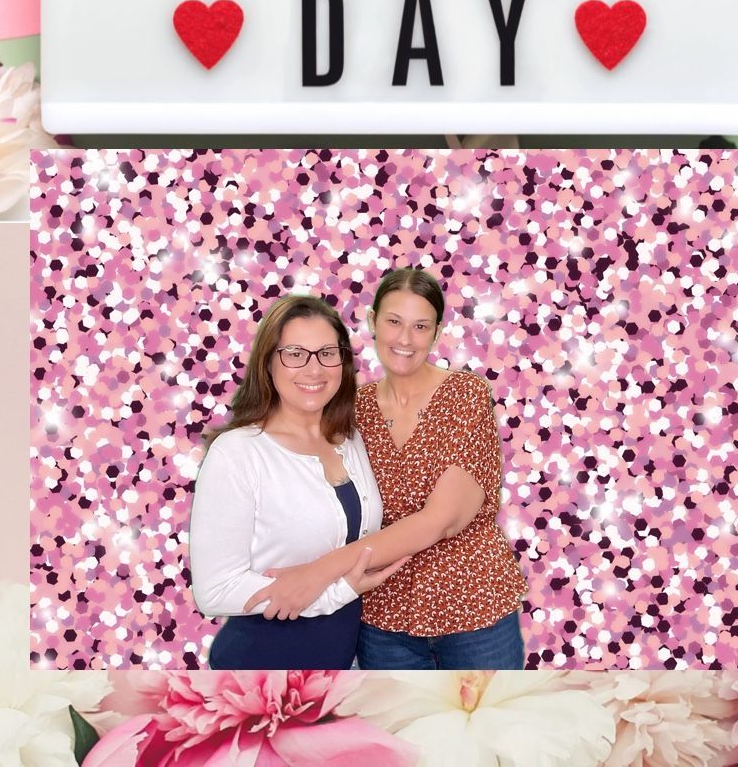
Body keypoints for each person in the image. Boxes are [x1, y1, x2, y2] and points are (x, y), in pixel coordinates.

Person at [246, 267, 529, 669]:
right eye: (394, 322)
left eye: (420, 326)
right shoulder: (350, 407)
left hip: (474, 615)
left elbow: (440, 521)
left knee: (489, 730)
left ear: (436, 332)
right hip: (382, 618)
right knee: (396, 732)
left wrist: (317, 573)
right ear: (373, 321)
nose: (405, 339)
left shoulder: (465, 395)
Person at [188, 293, 403, 668]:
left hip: (343, 666)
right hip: (259, 666)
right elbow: (215, 590)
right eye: (295, 354)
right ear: (268, 363)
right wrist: (338, 591)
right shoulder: (237, 454)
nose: (314, 369)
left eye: (327, 353)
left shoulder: (349, 440)